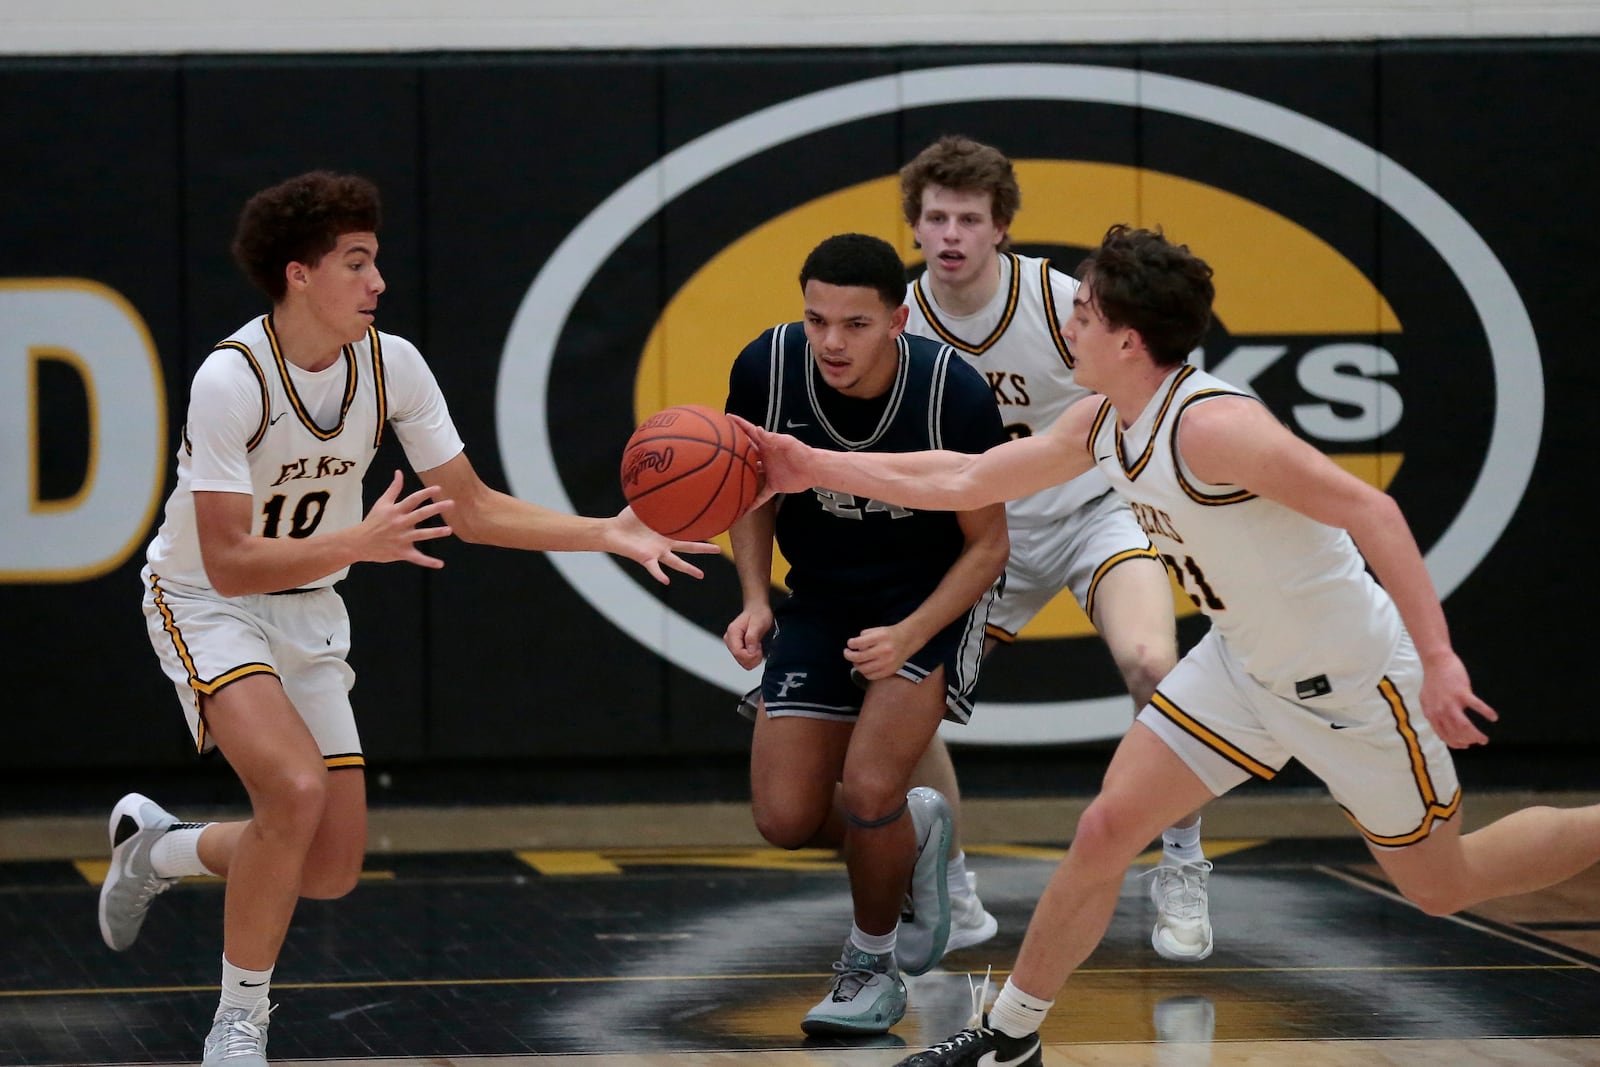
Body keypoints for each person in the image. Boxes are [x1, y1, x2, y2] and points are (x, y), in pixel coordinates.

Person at [736, 224, 1600, 1067]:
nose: (1066, 323)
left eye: (1082, 312)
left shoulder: (1214, 425)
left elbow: (1372, 510)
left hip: (1347, 683)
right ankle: (1012, 1030)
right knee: (1108, 825)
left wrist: (1440, 657)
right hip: (1238, 666)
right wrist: (811, 464)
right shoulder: (1102, 418)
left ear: (1127, 337)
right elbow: (966, 476)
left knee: (1441, 884)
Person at [98, 170, 715, 1067]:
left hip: (307, 606)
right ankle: (238, 1023)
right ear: (299, 274)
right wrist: (359, 538)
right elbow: (227, 558)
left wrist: (607, 532)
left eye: (376, 260)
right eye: (357, 263)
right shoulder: (230, 380)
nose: (378, 281)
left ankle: (159, 850)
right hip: (204, 601)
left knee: (329, 864)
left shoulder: (394, 364)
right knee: (294, 794)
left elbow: (468, 506)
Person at [897, 135, 1206, 963]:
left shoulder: (1057, 296)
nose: (952, 233)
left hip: (1092, 509)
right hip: (984, 533)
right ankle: (950, 890)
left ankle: (1182, 863)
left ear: (1001, 228)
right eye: (936, 217)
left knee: (1152, 664)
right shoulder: (899, 324)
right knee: (902, 696)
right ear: (916, 227)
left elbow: (1171, 372)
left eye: (970, 217)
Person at [722, 232, 1009, 1035]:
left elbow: (990, 544)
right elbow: (750, 495)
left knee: (875, 783)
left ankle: (869, 965)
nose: (831, 342)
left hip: (928, 596)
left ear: (900, 319)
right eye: (817, 320)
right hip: (819, 595)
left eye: (854, 323)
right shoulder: (767, 369)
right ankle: (916, 835)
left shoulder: (952, 392)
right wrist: (754, 597)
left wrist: (911, 632)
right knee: (783, 817)